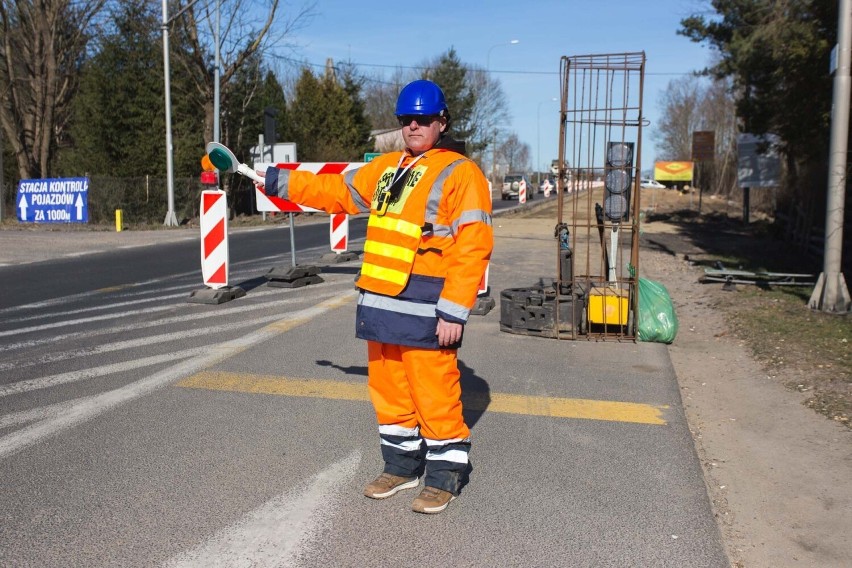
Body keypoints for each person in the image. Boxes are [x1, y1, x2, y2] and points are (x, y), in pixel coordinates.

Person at [257, 79, 493, 514]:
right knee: (389, 391)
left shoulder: (462, 173)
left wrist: (455, 312)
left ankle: (444, 476)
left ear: (442, 122)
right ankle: (400, 467)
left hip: (428, 306)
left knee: (434, 392)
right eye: (407, 119)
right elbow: (336, 192)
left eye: (424, 119)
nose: (415, 126)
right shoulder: (387, 168)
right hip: (381, 304)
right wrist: (279, 181)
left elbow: (473, 245)